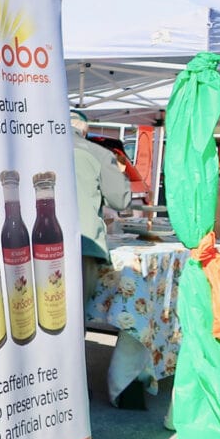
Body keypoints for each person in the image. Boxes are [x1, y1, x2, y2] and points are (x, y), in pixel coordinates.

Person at [71, 109, 131, 307]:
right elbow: (120, 201)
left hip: (33, 243)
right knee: (74, 319)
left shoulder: (28, 151)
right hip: (83, 245)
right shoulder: (99, 154)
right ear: (85, 132)